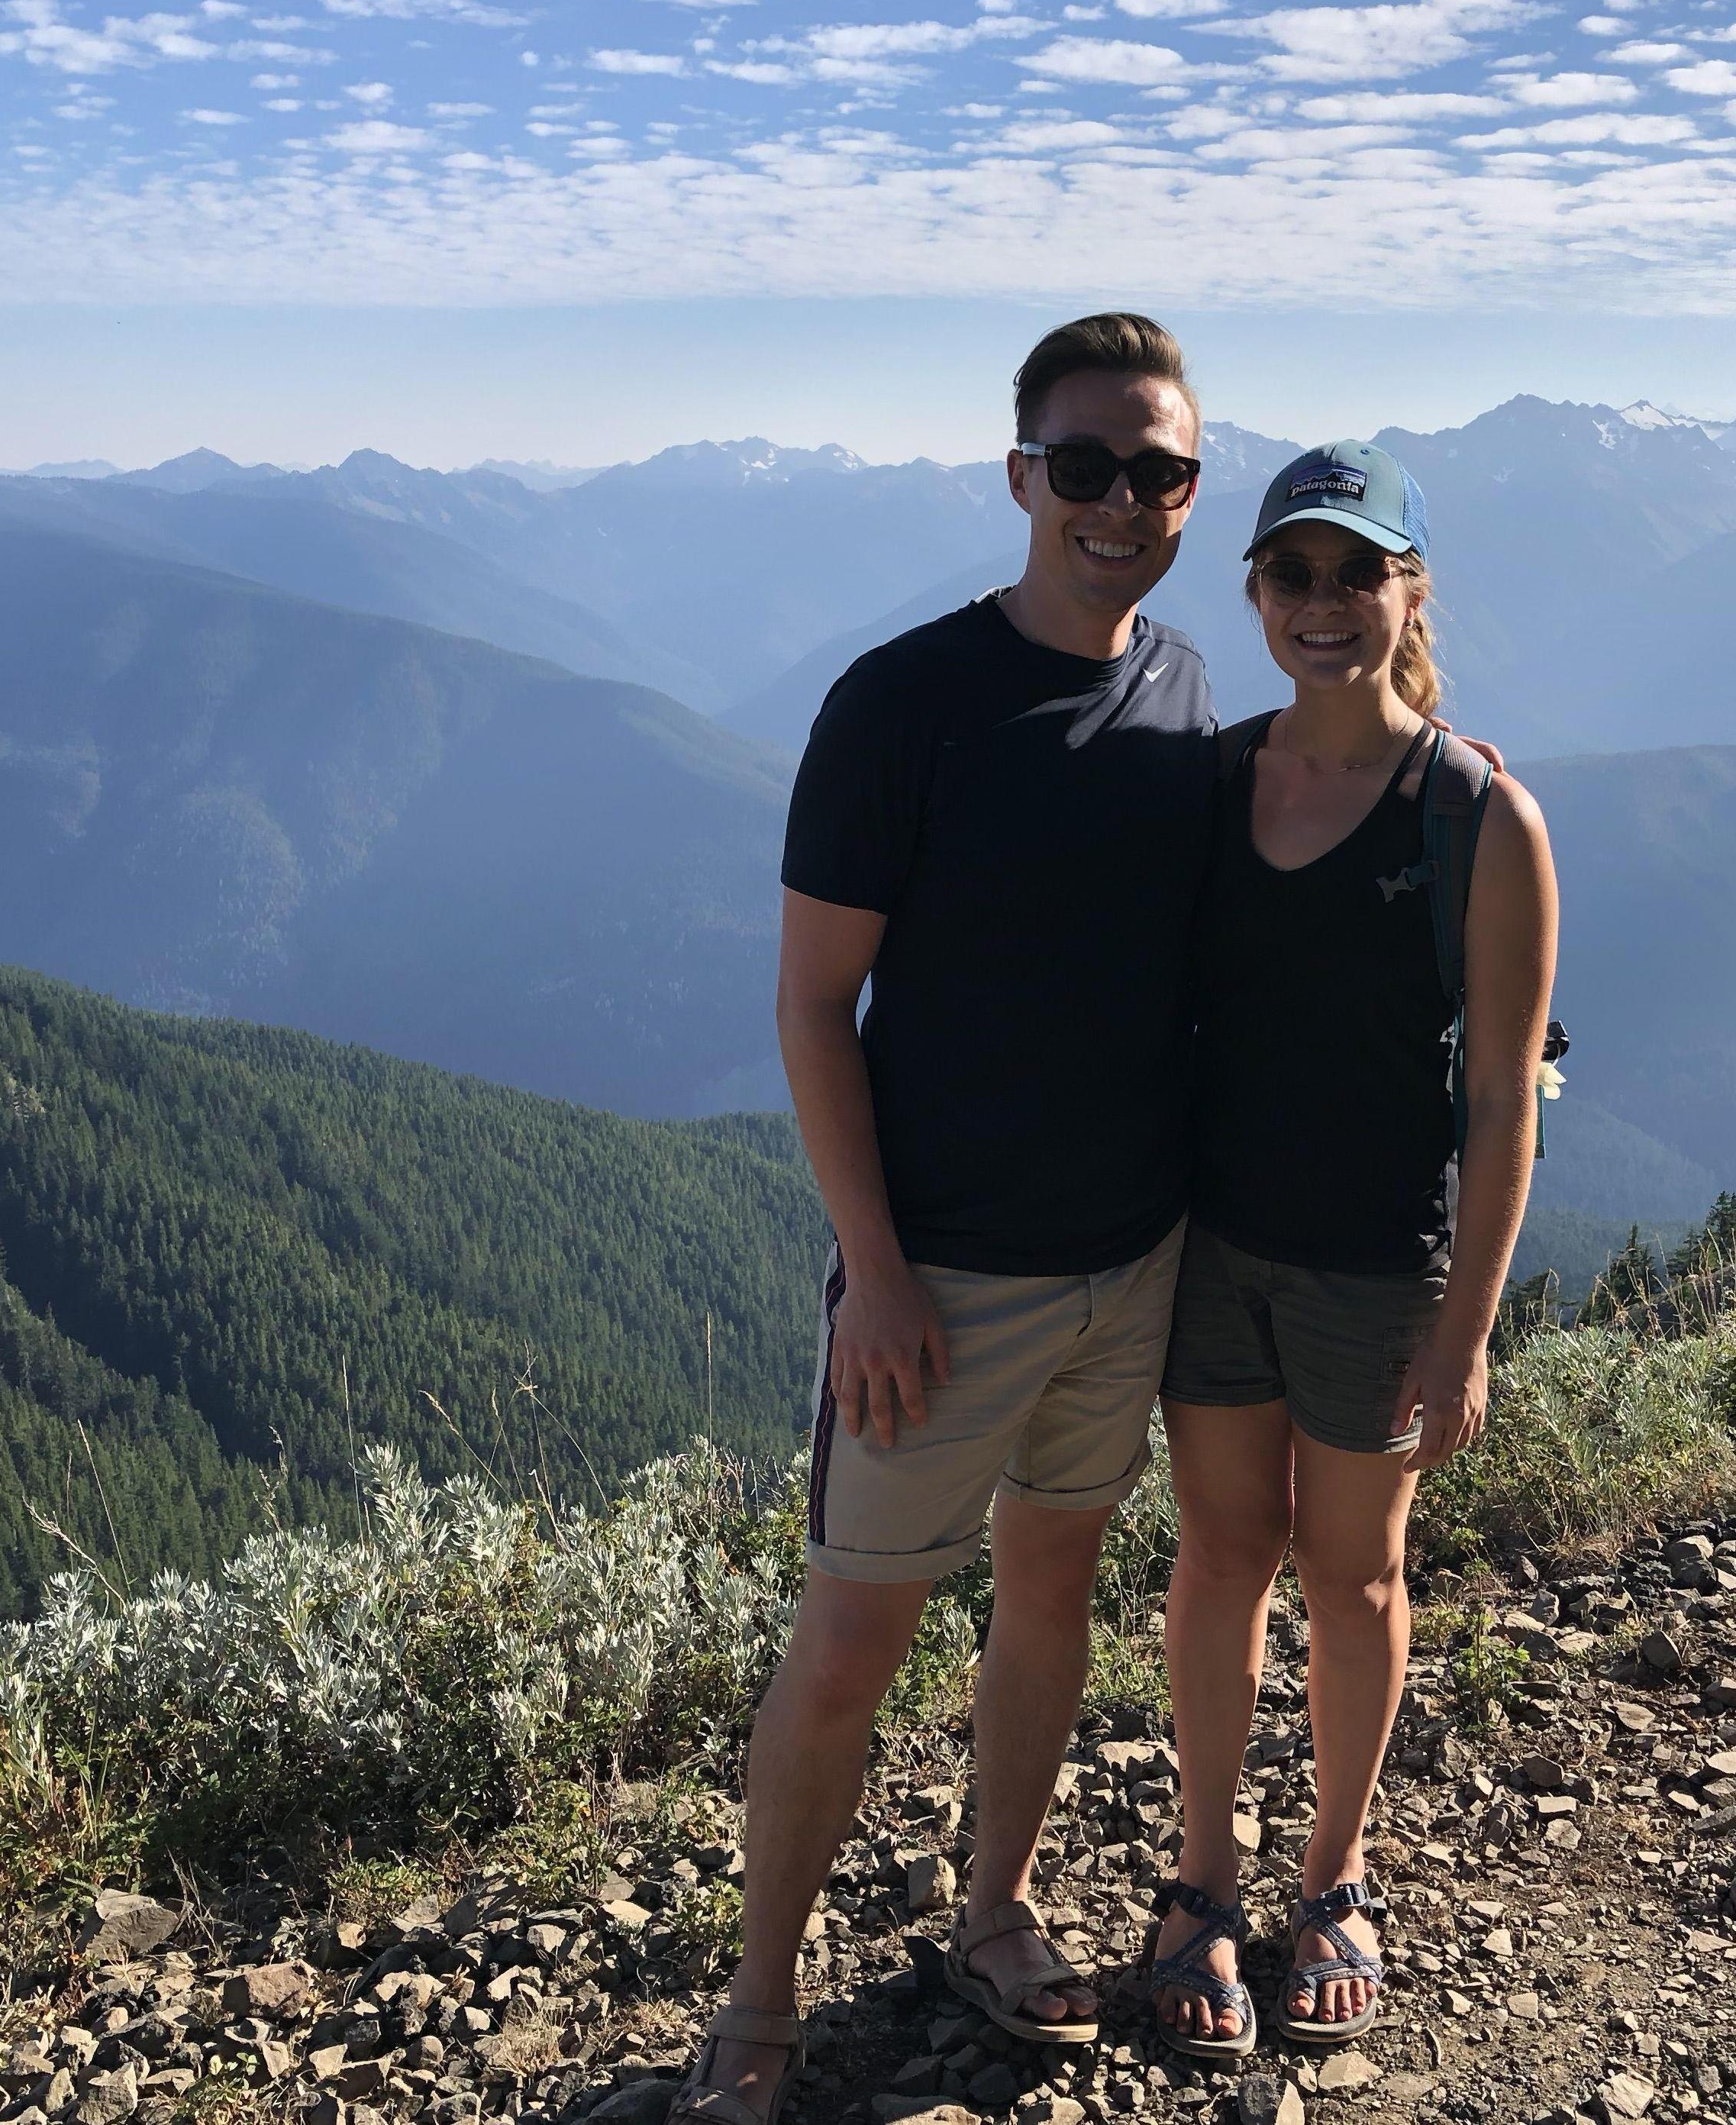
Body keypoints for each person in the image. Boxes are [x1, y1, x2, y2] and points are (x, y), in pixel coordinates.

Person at [667, 313, 1219, 2125]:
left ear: (1187, 491)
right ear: (1020, 478)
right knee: (851, 1632)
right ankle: (756, 2006)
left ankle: (993, 1910)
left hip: (1127, 1258)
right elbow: (811, 1007)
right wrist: (878, 1272)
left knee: (1050, 1589)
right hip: (948, 1277)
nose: (1117, 499)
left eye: (1154, 470)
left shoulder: (1188, 688)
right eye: (1084, 465)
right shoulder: (899, 702)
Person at [1144, 442, 1558, 2057]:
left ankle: (1328, 1881)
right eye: (1291, 574)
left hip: (1380, 1268)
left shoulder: (1477, 816)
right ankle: (1200, 1882)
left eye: (1354, 571)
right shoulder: (1212, 778)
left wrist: (1464, 1333)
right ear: (1253, 592)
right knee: (1218, 1556)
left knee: (1355, 1567)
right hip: (1212, 1249)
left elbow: (1506, 1112)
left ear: (1408, 589)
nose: (1322, 604)